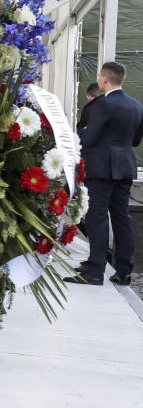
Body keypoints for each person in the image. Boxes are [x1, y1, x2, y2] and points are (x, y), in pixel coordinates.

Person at [67, 61, 143, 286]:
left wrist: (78, 134)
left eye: (100, 77)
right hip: (125, 167)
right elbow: (136, 140)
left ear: (104, 79)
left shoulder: (103, 105)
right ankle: (124, 270)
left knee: (97, 218)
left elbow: (89, 139)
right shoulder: (137, 105)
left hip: (101, 168)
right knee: (122, 219)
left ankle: (95, 269)